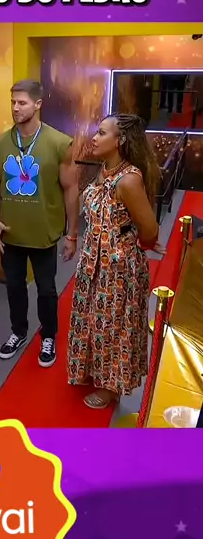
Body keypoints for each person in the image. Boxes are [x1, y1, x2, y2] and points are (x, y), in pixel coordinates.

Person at [67, 113, 164, 409]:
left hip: (118, 270)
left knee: (114, 328)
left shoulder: (128, 180)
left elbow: (150, 230)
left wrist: (131, 241)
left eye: (102, 133)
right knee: (93, 322)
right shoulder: (105, 169)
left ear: (119, 140)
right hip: (93, 264)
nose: (94, 138)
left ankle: (112, 387)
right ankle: (93, 370)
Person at [0, 79, 80, 367]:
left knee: (46, 290)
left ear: (38, 104)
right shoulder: (0, 144)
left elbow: (71, 189)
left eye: (22, 103)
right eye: (13, 102)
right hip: (11, 234)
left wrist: (72, 234)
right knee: (14, 288)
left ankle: (48, 335)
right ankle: (18, 332)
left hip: (44, 233)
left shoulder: (59, 143)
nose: (15, 108)